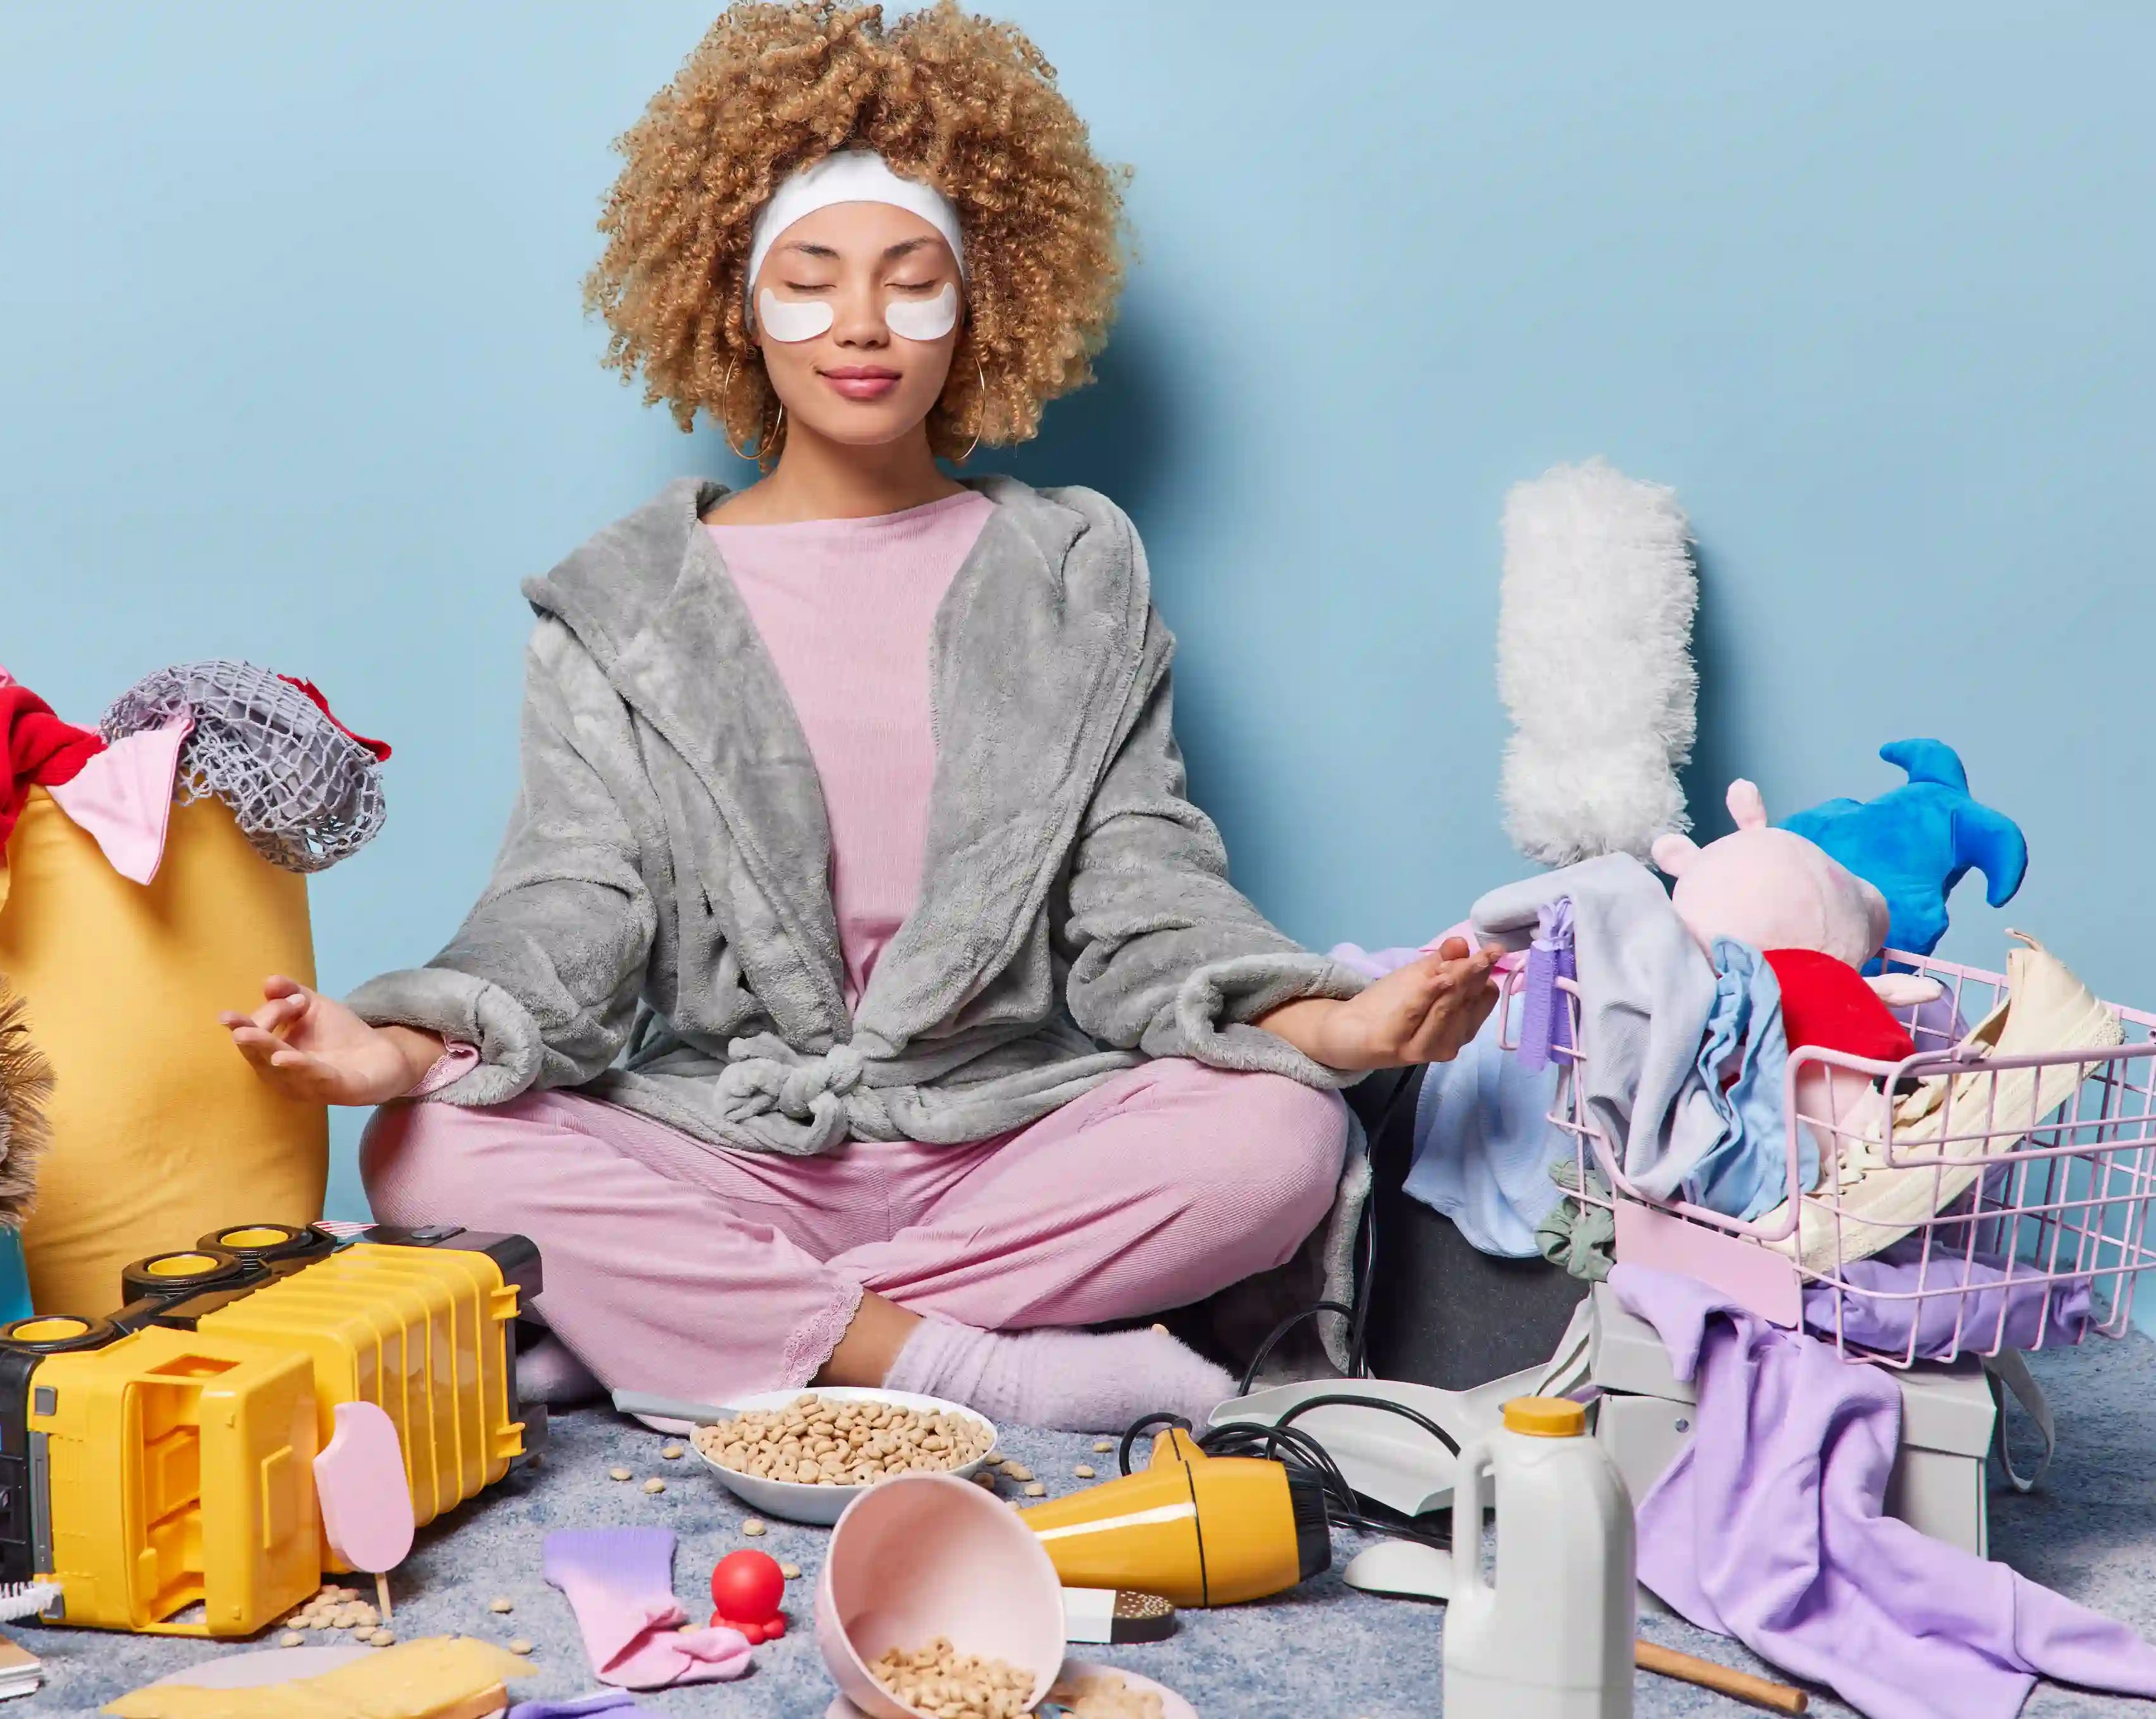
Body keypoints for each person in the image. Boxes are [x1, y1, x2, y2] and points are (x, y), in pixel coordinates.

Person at [226, 1, 1498, 1432]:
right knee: (427, 1152)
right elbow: (572, 901)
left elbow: (1144, 891)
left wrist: (1336, 1025)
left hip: (1004, 1137)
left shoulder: (1071, 573)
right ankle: (973, 1367)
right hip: (730, 1142)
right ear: (727, 294)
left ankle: (703, 1328)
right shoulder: (622, 603)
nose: (860, 325)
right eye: (810, 278)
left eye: (910, 280)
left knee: (1276, 1137)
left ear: (983, 301)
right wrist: (400, 1050)